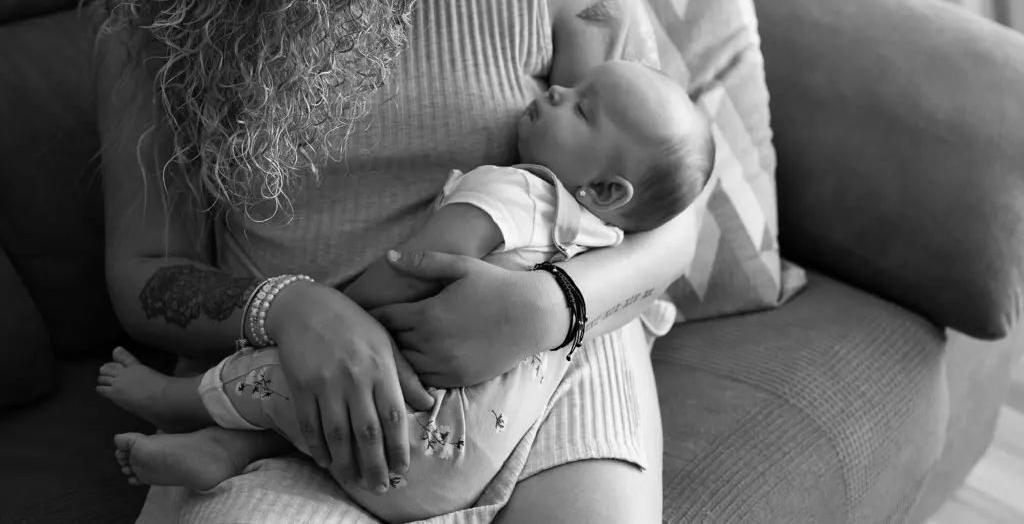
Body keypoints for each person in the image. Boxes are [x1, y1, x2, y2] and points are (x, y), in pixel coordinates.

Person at [90, 0, 702, 522]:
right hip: (300, 392)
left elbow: (670, 204)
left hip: (548, 360)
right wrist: (293, 310)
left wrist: (551, 307)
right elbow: (145, 273)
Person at [97, 59, 715, 523]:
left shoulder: (520, 192)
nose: (557, 88)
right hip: (472, 453)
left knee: (279, 376)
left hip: (402, 420)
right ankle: (227, 448)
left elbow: (414, 267)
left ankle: (175, 401)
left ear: (608, 189)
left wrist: (345, 312)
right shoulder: (600, 233)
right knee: (307, 407)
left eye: (580, 108)